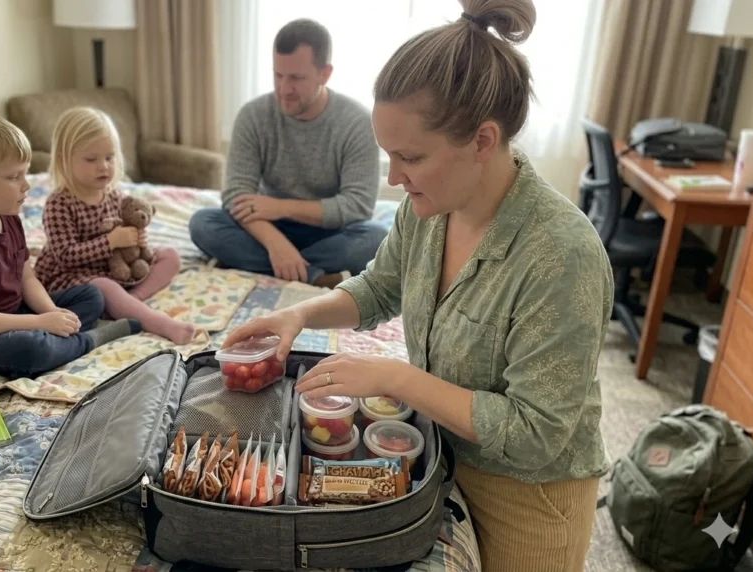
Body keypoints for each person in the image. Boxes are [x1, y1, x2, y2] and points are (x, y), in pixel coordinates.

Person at [222, 1, 612, 570]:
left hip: (527, 495)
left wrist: (396, 378)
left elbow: (535, 433)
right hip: (438, 451)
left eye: (410, 157)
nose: (392, 178)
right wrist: (300, 316)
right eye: (388, 154)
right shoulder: (427, 209)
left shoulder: (562, 256)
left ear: (482, 140)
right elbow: (381, 288)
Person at [0, 111, 140, 380]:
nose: (27, 186)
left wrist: (51, 313)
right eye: (14, 177)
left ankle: (58, 337)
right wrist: (38, 322)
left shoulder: (9, 217)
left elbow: (27, 278)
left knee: (91, 296)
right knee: (31, 350)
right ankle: (88, 340)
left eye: (25, 175)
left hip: (14, 312)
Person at [188, 18, 387, 289]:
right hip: (267, 227)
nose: (283, 89)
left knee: (375, 237)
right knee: (203, 223)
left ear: (325, 74)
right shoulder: (253, 115)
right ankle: (314, 275)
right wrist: (276, 244)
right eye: (278, 75)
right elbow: (236, 196)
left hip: (328, 231)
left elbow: (357, 206)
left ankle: (264, 265)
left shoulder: (356, 122)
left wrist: (280, 207)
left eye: (296, 78)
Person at [34, 107, 195, 345]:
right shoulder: (59, 203)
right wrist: (110, 242)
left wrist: (137, 241)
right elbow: (65, 256)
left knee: (170, 256)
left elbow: (129, 228)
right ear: (63, 160)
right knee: (104, 287)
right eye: (91, 159)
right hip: (73, 276)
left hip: (115, 269)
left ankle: (132, 301)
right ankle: (158, 323)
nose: (104, 166)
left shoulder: (113, 194)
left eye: (109, 157)